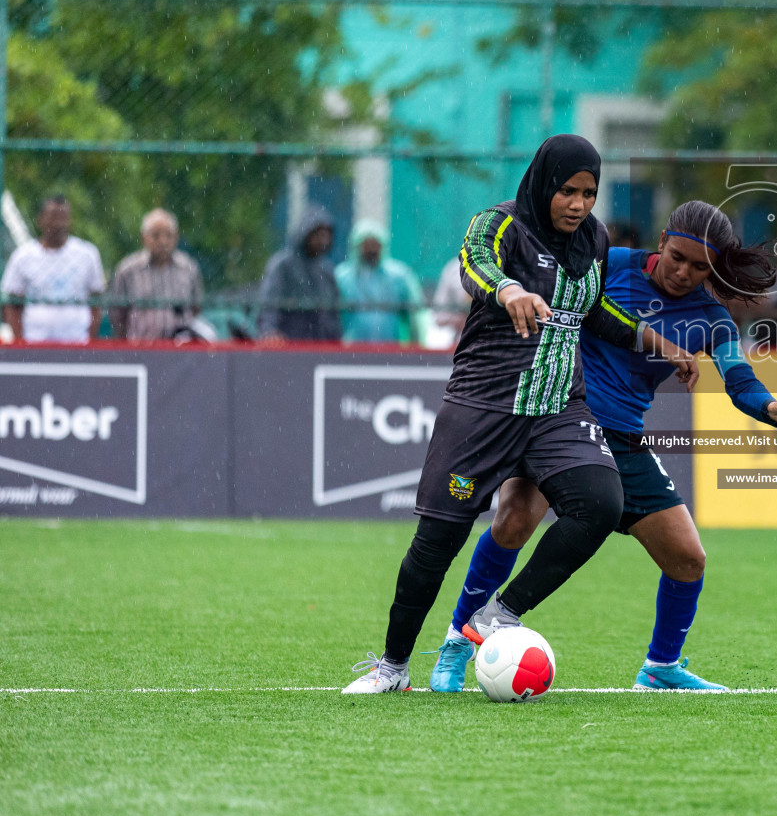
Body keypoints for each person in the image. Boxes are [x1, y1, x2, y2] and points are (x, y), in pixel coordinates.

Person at [343, 134, 700, 694]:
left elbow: (596, 309)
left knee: (600, 504)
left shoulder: (596, 239)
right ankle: (392, 667)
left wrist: (660, 344)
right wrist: (507, 290)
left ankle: (495, 616)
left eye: (588, 193)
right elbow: (473, 264)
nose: (578, 204)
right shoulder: (499, 224)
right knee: (438, 541)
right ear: (542, 182)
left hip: (559, 408)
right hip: (483, 408)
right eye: (566, 191)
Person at [426, 200, 777, 693]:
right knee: (514, 520)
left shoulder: (712, 318)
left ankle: (660, 668)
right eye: (678, 257)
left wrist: (771, 408)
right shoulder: (608, 264)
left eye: (701, 268)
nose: (684, 272)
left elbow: (740, 380)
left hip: (625, 438)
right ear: (662, 241)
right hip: (562, 419)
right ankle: (458, 642)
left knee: (687, 558)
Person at [1, 195, 103, 344]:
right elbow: (12, 304)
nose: (59, 223)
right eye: (54, 216)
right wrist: (20, 342)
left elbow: (96, 301)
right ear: (40, 220)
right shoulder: (23, 256)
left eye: (64, 217)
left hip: (76, 342)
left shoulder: (87, 254)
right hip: (34, 342)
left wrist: (90, 340)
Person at [108, 208, 203, 341]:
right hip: (141, 348)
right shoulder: (128, 271)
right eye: (156, 235)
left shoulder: (188, 269)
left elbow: (196, 308)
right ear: (144, 237)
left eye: (168, 235)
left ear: (176, 237)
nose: (163, 242)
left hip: (180, 349)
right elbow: (117, 315)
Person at [257, 206, 342, 342]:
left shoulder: (326, 271)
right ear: (306, 233)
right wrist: (269, 331)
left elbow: (332, 314)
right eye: (318, 235)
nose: (322, 241)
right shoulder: (283, 265)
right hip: (290, 343)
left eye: (326, 236)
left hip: (320, 346)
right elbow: (269, 303)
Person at [336, 219, 423, 345]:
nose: (371, 250)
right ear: (357, 247)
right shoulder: (343, 277)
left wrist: (416, 345)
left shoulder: (399, 276)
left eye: (375, 245)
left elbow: (415, 315)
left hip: (390, 348)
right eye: (366, 245)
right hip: (352, 348)